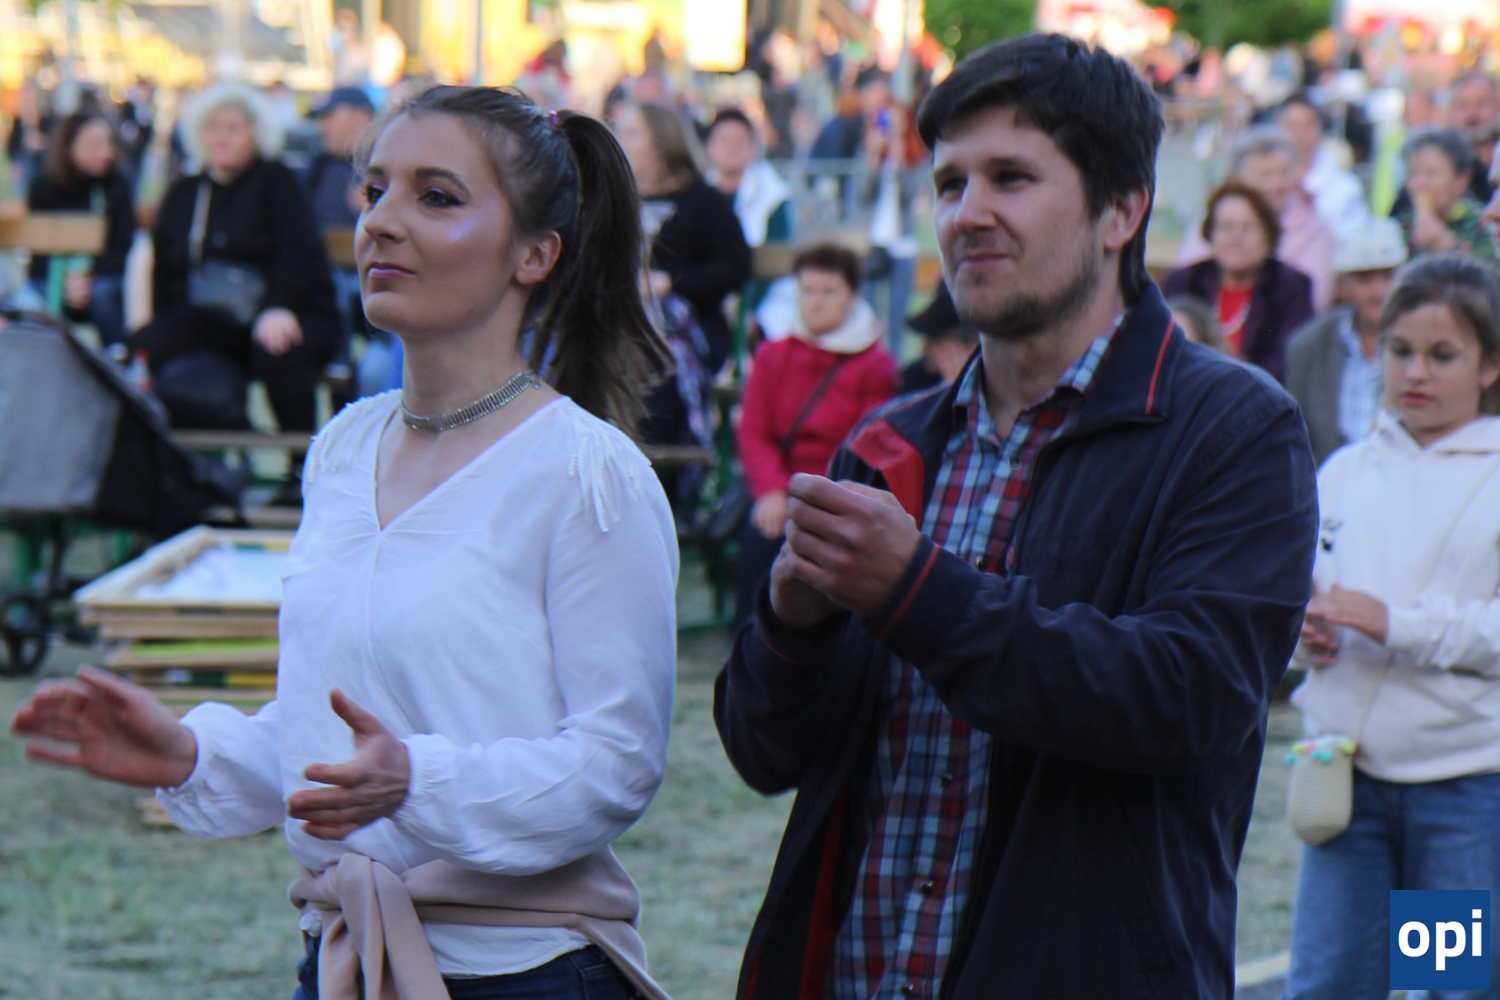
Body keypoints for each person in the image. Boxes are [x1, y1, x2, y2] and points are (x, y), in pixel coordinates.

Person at [13, 84, 678, 1000]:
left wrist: (418, 781)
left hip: (525, 975)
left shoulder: (586, 473)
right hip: (342, 960)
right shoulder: (344, 450)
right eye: (374, 191)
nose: (382, 222)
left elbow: (615, 762)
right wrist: (192, 755)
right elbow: (330, 736)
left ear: (536, 253)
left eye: (435, 196)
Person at [715, 33, 1317, 1000]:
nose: (969, 213)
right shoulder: (890, 442)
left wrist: (915, 591)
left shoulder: (1233, 428)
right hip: (855, 974)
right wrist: (790, 628)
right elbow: (763, 755)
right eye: (949, 183)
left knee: (1446, 954)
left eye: (1011, 177)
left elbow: (1190, 701)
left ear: (1123, 210)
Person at [1283, 254, 1500, 999]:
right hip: (1344, 780)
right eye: (1400, 350)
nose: (1416, 372)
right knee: (1329, 983)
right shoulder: (1343, 471)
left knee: (1446, 986)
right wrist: (1304, 636)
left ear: (1490, 365)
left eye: (1443, 355)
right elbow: (1298, 596)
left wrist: (1394, 625)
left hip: (1460, 789)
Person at [132, 82, 340, 499]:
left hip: (288, 312)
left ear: (255, 134)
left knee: (278, 349)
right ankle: (170, 474)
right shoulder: (187, 191)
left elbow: (299, 252)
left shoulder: (278, 181)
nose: (221, 137)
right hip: (213, 319)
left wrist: (281, 307)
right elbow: (167, 271)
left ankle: (300, 472)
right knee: (144, 347)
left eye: (234, 128)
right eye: (213, 127)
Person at [733, 242, 896, 630]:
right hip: (780, 490)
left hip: (840, 495)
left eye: (829, 291)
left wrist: (820, 502)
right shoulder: (772, 355)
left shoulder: (875, 365)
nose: (816, 302)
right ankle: (749, 643)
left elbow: (866, 448)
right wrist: (771, 491)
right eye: (807, 290)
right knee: (760, 544)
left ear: (853, 296)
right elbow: (754, 432)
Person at [612, 100, 751, 374]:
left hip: (689, 327)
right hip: (623, 325)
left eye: (632, 134)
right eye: (620, 132)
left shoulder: (703, 202)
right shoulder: (616, 201)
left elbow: (735, 268)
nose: (620, 142)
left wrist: (671, 282)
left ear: (661, 143)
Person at [1284, 217, 1408, 466]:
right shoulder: (1309, 346)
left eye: (1388, 277)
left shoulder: (1424, 343)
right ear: (1343, 286)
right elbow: (1295, 439)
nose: (1379, 292)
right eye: (1365, 279)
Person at [1163, 180, 1315, 381]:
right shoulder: (1184, 281)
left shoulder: (1291, 285)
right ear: (1210, 233)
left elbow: (1288, 360)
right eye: (1226, 227)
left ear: (1269, 235)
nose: (1236, 238)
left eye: (1248, 228)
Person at [1177, 127, 1336, 311]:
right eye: (1265, 175)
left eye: (1284, 173)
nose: (1277, 184)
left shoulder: (1314, 228)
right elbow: (1187, 284)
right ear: (1239, 180)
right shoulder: (1215, 218)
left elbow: (1313, 301)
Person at [25, 110, 136, 347]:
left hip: (100, 279)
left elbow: (122, 248)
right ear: (69, 147)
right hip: (55, 278)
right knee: (29, 299)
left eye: (108, 143)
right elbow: (39, 255)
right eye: (94, 145)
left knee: (103, 295)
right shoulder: (44, 187)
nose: (105, 153)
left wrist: (86, 279)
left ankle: (118, 358)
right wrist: (67, 280)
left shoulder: (117, 186)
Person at [305, 86, 378, 392]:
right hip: (323, 271)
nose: (322, 126)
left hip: (368, 274)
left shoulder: (385, 165)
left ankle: (340, 361)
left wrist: (378, 204)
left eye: (330, 116)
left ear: (360, 116)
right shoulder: (320, 165)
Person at [1392, 127, 1496, 261]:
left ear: (1462, 179)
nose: (1419, 184)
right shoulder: (1398, 228)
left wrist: (1450, 248)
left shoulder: (1485, 226)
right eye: (1413, 173)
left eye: (1431, 173)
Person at [1278, 92, 1369, 238]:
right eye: (1291, 126)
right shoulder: (1267, 185)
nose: (1299, 135)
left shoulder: (1346, 186)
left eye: (1307, 125)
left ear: (1320, 129)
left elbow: (1355, 234)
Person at [705, 108, 792, 248]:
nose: (732, 148)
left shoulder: (772, 194)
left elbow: (778, 250)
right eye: (725, 140)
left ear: (753, 147)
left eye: (740, 141)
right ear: (709, 147)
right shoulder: (696, 193)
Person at [897, 281, 979, 394]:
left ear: (970, 344)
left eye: (935, 340)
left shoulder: (993, 384)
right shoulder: (916, 377)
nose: (925, 349)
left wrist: (960, 390)